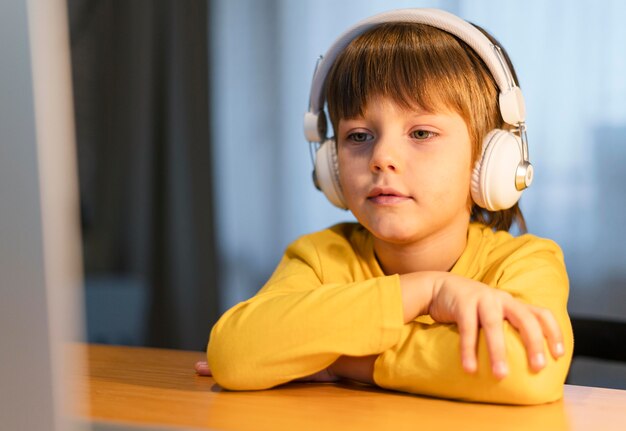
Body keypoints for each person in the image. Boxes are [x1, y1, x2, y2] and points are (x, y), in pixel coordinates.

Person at [196, 8, 573, 405]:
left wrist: (345, 359)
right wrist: (426, 291)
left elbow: (528, 371)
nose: (382, 157)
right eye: (359, 136)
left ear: (489, 161)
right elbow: (234, 355)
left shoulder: (526, 262)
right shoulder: (322, 257)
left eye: (422, 132)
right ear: (331, 166)